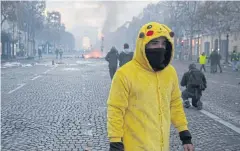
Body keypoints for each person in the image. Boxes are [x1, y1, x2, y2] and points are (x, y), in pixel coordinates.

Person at [107, 22, 194, 151]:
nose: (160, 47)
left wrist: (184, 134)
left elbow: (175, 103)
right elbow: (116, 109)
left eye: (164, 43)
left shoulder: (170, 72)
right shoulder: (124, 74)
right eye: (154, 43)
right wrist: (115, 141)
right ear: (143, 45)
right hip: (133, 146)